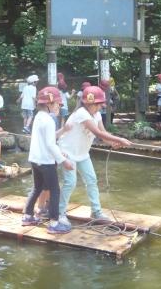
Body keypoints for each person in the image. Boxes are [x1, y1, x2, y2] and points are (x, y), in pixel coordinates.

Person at [58, 86, 132, 225]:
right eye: (98, 104)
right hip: (67, 152)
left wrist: (111, 143)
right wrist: (119, 139)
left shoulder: (96, 114)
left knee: (92, 180)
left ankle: (96, 212)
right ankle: (60, 213)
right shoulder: (81, 113)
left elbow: (103, 133)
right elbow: (97, 133)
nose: (100, 107)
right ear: (89, 103)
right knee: (70, 182)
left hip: (82, 153)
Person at [22, 86, 74, 234]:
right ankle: (54, 223)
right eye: (58, 103)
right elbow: (51, 144)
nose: (59, 106)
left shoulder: (38, 116)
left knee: (37, 187)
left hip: (35, 159)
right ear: (50, 103)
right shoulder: (49, 120)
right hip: (46, 162)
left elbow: (48, 140)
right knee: (55, 190)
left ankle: (27, 216)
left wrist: (63, 132)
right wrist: (64, 161)